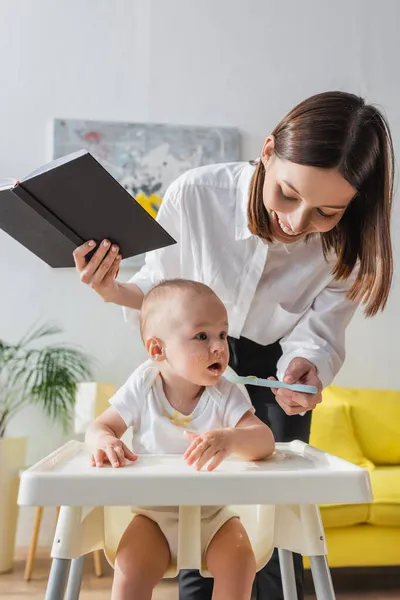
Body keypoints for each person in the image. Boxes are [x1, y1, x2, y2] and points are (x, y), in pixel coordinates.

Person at [74, 91, 394, 600]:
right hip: (191, 357)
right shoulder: (197, 194)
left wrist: (306, 366)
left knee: (270, 526)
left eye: (326, 212)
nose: (295, 222)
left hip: (276, 366)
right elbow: (159, 289)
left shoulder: (348, 244)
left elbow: (320, 331)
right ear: (267, 151)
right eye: (288, 195)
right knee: (191, 497)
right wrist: (112, 287)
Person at [86, 279, 275, 600]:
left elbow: (264, 440)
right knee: (129, 567)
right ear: (157, 350)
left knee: (242, 561)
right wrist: (105, 441)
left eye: (222, 335)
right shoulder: (144, 384)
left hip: (213, 517)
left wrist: (231, 439)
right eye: (202, 336)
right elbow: (100, 427)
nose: (218, 347)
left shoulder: (226, 392)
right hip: (153, 516)